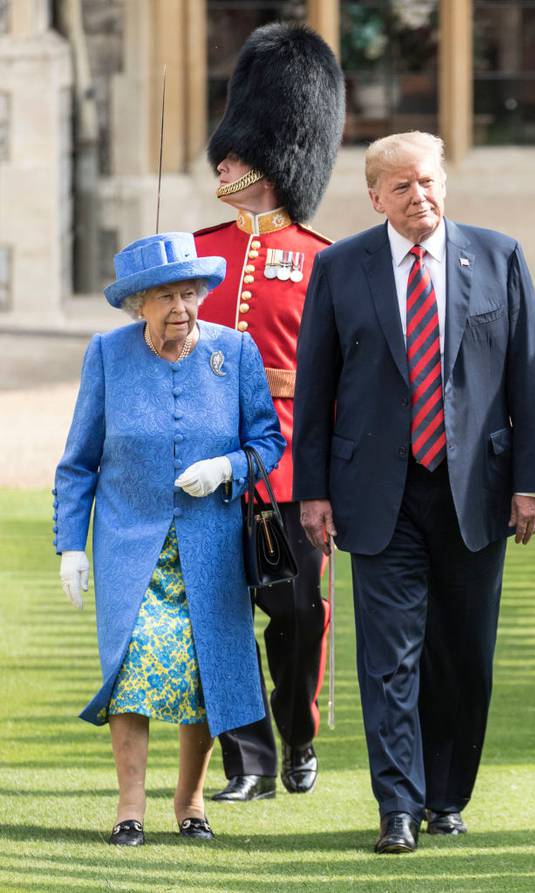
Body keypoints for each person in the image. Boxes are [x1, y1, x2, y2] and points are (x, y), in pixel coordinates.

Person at [293, 131, 535, 853]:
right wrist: (309, 491)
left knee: (464, 654)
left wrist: (533, 481)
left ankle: (447, 796)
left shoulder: (499, 257)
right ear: (375, 197)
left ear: (446, 183)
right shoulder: (341, 268)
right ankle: (398, 807)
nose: (421, 198)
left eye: (429, 182)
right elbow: (314, 390)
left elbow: (529, 376)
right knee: (391, 657)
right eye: (403, 187)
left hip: (477, 489)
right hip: (378, 494)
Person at [53, 231, 285, 845]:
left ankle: (191, 803)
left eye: (190, 293)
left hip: (210, 547)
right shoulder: (108, 353)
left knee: (202, 673)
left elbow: (267, 443)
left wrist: (226, 468)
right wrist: (71, 545)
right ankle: (131, 808)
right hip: (131, 545)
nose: (181, 307)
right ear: (139, 305)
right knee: (132, 670)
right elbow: (78, 462)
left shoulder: (235, 352)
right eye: (166, 297)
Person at [194, 23, 345, 801]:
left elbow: (340, 383)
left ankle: (299, 733)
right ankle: (246, 761)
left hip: (288, 466)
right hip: (210, 465)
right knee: (221, 619)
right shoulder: (195, 251)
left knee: (297, 613)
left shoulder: (325, 259)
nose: (223, 160)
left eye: (237, 150)